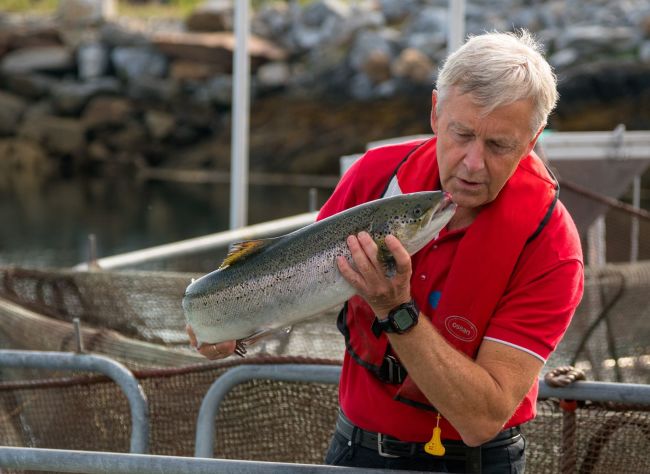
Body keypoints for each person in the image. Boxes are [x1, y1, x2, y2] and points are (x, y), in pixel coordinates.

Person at [188, 29, 584, 473]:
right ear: (436, 112)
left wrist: (395, 309)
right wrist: (232, 331)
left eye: (498, 145)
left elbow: (482, 419)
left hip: (476, 461)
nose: (473, 163)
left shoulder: (551, 245)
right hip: (356, 449)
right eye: (462, 134)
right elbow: (302, 277)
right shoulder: (374, 177)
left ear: (532, 141)